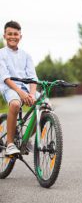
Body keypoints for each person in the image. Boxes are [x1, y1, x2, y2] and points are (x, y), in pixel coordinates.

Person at [0, 21, 38, 155]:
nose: (12, 37)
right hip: (9, 88)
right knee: (15, 104)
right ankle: (10, 143)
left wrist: (32, 95)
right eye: (9, 34)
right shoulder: (1, 54)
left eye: (15, 34)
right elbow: (5, 78)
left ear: (20, 36)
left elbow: (33, 78)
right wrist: (20, 93)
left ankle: (26, 138)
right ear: (4, 35)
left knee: (45, 106)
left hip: (27, 89)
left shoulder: (26, 55)